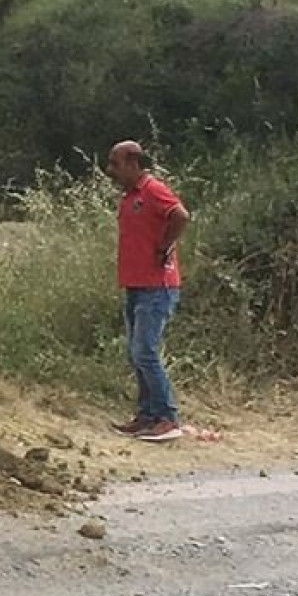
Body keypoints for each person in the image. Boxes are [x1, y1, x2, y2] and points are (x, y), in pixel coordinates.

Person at [105, 141, 191, 443]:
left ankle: (167, 417)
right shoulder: (128, 197)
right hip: (136, 284)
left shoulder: (153, 190)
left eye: (115, 163)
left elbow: (180, 215)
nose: (110, 170)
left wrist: (164, 247)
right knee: (136, 353)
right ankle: (146, 415)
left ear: (133, 162)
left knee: (145, 351)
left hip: (158, 286)